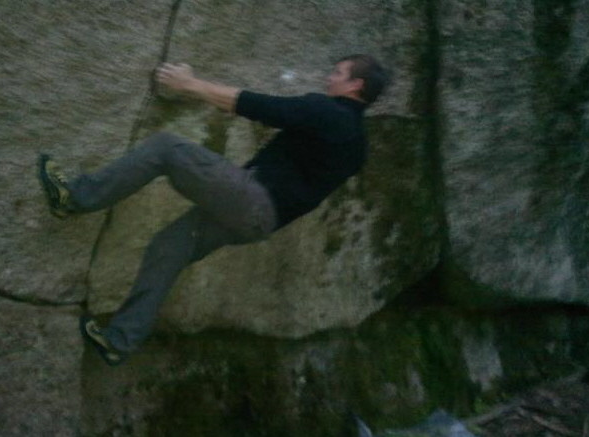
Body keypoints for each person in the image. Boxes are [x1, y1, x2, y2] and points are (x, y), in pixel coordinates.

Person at [38, 54, 389, 366]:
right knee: (168, 247)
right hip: (259, 223)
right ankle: (120, 341)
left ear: (355, 85)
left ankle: (74, 199)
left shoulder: (330, 112)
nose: (329, 77)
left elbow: (260, 106)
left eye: (338, 72)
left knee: (166, 148)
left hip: (253, 198)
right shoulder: (357, 144)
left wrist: (189, 84)